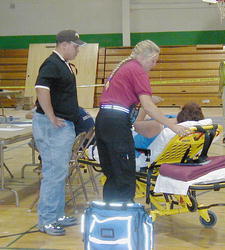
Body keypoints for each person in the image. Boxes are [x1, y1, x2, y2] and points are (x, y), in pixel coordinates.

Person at [95, 39, 189, 203]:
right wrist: (172, 126)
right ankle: (125, 214)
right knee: (124, 174)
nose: (154, 65)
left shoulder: (124, 68)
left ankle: (111, 213)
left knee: (112, 174)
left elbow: (128, 96)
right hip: (116, 123)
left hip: (104, 120)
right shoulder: (137, 71)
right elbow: (148, 106)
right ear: (146, 57)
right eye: (154, 61)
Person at [32, 29, 86, 236]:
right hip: (53, 127)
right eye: (75, 46)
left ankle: (56, 215)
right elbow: (41, 89)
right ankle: (46, 220)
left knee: (60, 173)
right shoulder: (51, 63)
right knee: (53, 175)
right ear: (64, 44)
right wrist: (51, 116)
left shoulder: (63, 64)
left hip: (61, 126)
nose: (77, 50)